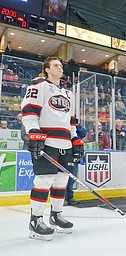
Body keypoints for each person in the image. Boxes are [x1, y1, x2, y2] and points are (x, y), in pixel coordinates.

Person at [21, 56, 84, 241]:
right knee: (44, 180)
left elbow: (71, 122)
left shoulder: (68, 93)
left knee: (61, 181)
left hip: (65, 143)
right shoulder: (39, 85)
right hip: (46, 141)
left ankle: (56, 216)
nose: (60, 68)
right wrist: (33, 132)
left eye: (61, 65)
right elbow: (29, 111)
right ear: (47, 69)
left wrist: (75, 139)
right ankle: (36, 220)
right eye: (55, 65)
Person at [65, 123, 87, 205]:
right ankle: (62, 197)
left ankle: (70, 197)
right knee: (62, 178)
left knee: (72, 179)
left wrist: (77, 125)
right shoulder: (64, 123)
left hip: (75, 155)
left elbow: (83, 133)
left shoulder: (77, 126)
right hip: (65, 154)